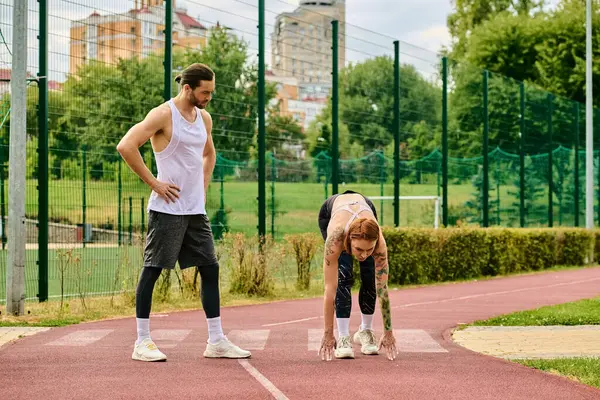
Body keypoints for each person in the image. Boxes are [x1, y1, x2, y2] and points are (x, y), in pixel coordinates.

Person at [117, 63, 250, 362]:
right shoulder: (163, 114)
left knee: (210, 268)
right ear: (187, 88)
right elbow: (126, 146)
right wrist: (154, 182)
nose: (208, 98)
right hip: (167, 210)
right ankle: (142, 342)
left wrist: (202, 186)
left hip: (195, 210)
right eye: (205, 92)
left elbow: (209, 153)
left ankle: (216, 341)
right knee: (153, 270)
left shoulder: (204, 117)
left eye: (212, 93)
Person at [317, 190, 398, 361]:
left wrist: (388, 332)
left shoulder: (380, 244)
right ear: (349, 241)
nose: (363, 254)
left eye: (369, 249)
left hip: (365, 205)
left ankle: (365, 331)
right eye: (359, 250)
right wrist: (328, 334)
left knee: (369, 276)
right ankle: (344, 336)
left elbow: (382, 289)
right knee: (343, 276)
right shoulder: (336, 239)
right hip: (331, 210)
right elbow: (330, 289)